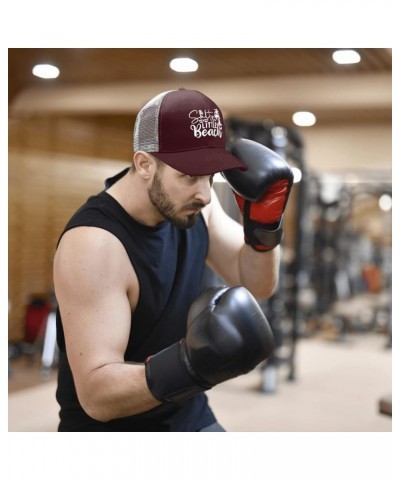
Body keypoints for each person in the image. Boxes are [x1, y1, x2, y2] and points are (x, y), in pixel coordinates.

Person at [53, 88, 293, 432]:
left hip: (187, 412)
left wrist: (265, 229)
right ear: (144, 164)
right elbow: (97, 396)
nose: (206, 194)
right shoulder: (95, 244)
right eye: (190, 175)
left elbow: (257, 284)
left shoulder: (197, 210)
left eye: (211, 176)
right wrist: (190, 364)